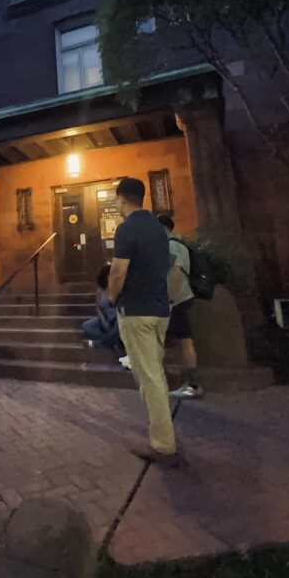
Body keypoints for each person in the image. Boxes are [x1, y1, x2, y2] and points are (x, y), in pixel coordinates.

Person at [107, 177, 180, 467]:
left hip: (136, 310)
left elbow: (117, 272)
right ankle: (161, 431)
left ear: (121, 199)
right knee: (154, 374)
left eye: (116, 199)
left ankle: (163, 444)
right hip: (159, 309)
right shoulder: (157, 228)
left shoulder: (127, 229)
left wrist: (112, 298)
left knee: (149, 378)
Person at [157, 214, 204, 400]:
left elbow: (175, 274)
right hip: (179, 299)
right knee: (179, 339)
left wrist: (168, 300)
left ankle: (192, 385)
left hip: (177, 300)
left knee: (184, 340)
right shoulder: (174, 244)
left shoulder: (172, 245)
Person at [81, 264, 122, 351]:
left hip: (118, 319)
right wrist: (104, 321)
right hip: (105, 319)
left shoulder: (119, 289)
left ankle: (97, 343)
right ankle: (112, 341)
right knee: (86, 326)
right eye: (109, 275)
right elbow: (98, 309)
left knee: (120, 327)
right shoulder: (100, 291)